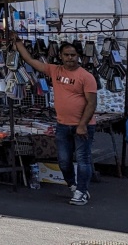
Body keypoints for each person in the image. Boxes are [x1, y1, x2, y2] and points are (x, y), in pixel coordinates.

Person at [11, 32, 97, 206]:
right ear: (61, 56)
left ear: (78, 56)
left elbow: (92, 103)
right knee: (63, 161)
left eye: (73, 55)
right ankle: (73, 186)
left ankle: (81, 191)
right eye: (66, 55)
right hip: (62, 125)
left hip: (82, 126)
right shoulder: (54, 70)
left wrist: (82, 125)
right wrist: (19, 44)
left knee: (83, 160)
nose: (70, 58)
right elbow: (31, 61)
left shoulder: (86, 77)